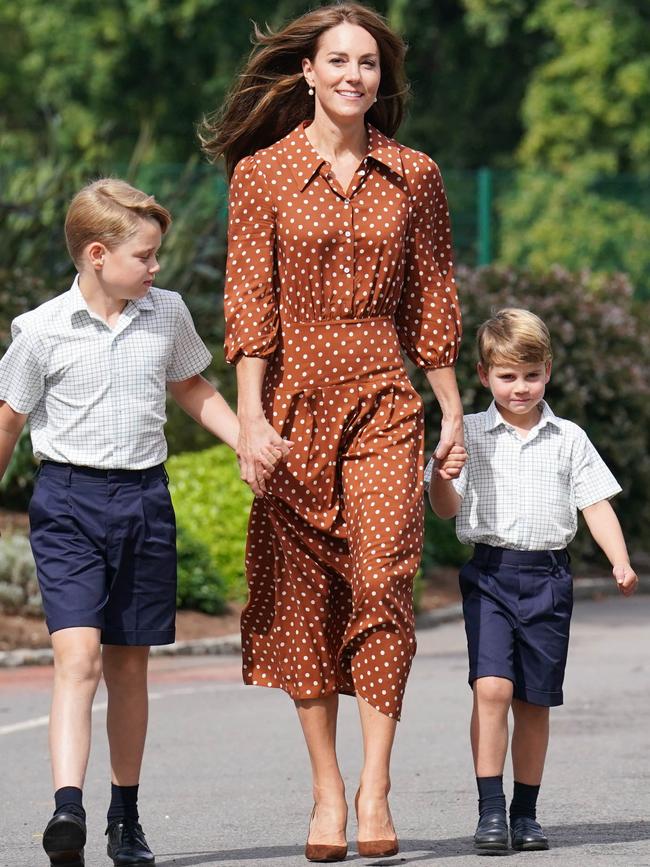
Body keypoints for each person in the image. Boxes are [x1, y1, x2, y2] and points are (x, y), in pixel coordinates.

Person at [201, 3, 463, 860]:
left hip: (387, 397)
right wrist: (249, 420)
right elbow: (248, 305)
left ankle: (376, 785)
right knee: (306, 596)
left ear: (381, 80)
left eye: (370, 65)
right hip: (292, 404)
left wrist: (452, 405)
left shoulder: (414, 173)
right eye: (339, 61)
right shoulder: (263, 176)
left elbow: (431, 298)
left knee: (386, 574)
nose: (355, 76)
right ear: (307, 72)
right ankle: (324, 793)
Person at [0, 178, 284, 867]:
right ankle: (68, 805)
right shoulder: (39, 332)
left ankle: (124, 817)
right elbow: (7, 422)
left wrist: (245, 436)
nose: (155, 267)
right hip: (67, 503)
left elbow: (191, 385)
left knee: (130, 666)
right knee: (78, 657)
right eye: (145, 256)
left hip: (144, 502)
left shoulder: (166, 312)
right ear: (98, 254)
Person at [427, 307, 638, 853]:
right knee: (491, 688)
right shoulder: (468, 433)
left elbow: (595, 504)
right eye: (506, 376)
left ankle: (525, 813)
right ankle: (490, 812)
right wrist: (441, 475)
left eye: (531, 375)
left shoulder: (569, 437)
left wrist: (619, 559)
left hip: (548, 576)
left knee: (534, 701)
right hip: (491, 574)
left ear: (548, 371)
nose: (520, 388)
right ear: (483, 375)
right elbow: (445, 508)